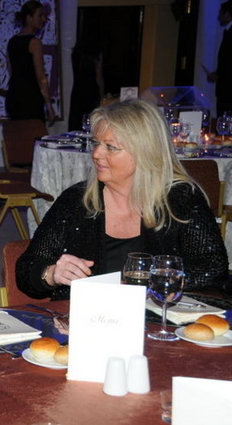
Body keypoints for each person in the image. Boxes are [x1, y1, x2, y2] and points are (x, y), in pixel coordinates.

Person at [16, 99, 228, 300]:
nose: (96, 154)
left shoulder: (180, 198)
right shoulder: (77, 200)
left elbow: (214, 270)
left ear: (145, 152)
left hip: (156, 318)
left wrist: (160, 282)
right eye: (96, 143)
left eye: (110, 147)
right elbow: (26, 270)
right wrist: (51, 273)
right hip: (87, 317)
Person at [5, 0, 55, 123]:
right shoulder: (34, 42)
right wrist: (49, 106)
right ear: (29, 18)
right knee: (34, 133)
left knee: (19, 133)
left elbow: (11, 70)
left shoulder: (12, 41)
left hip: (14, 97)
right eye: (40, 15)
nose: (43, 19)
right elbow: (41, 77)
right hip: (30, 99)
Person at [68, 39, 103, 131]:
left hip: (77, 91)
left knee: (76, 124)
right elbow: (98, 77)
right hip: (92, 92)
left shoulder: (76, 53)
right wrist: (102, 95)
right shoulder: (95, 54)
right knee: (92, 124)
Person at [207, 1, 232, 116]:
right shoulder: (227, 32)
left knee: (225, 118)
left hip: (228, 91)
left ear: (227, 14)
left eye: (221, 13)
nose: (218, 17)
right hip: (225, 90)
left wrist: (219, 76)